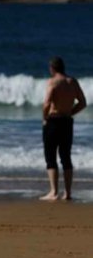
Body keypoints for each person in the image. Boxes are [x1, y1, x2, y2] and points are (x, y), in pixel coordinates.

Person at [40, 57, 87, 201]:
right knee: (66, 156)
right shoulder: (72, 82)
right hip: (67, 121)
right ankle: (68, 193)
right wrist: (70, 112)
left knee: (50, 155)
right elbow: (83, 103)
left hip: (53, 121)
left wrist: (45, 118)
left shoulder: (53, 82)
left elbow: (47, 103)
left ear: (52, 68)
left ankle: (54, 192)